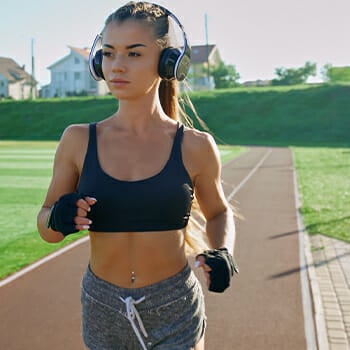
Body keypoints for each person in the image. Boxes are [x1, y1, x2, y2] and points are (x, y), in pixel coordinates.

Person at [37, 2, 238, 349]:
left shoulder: (195, 146)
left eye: (133, 53)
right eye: (110, 53)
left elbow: (219, 211)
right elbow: (47, 229)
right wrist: (57, 218)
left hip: (175, 307)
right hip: (102, 307)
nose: (117, 65)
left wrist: (223, 251)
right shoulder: (77, 140)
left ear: (167, 62)